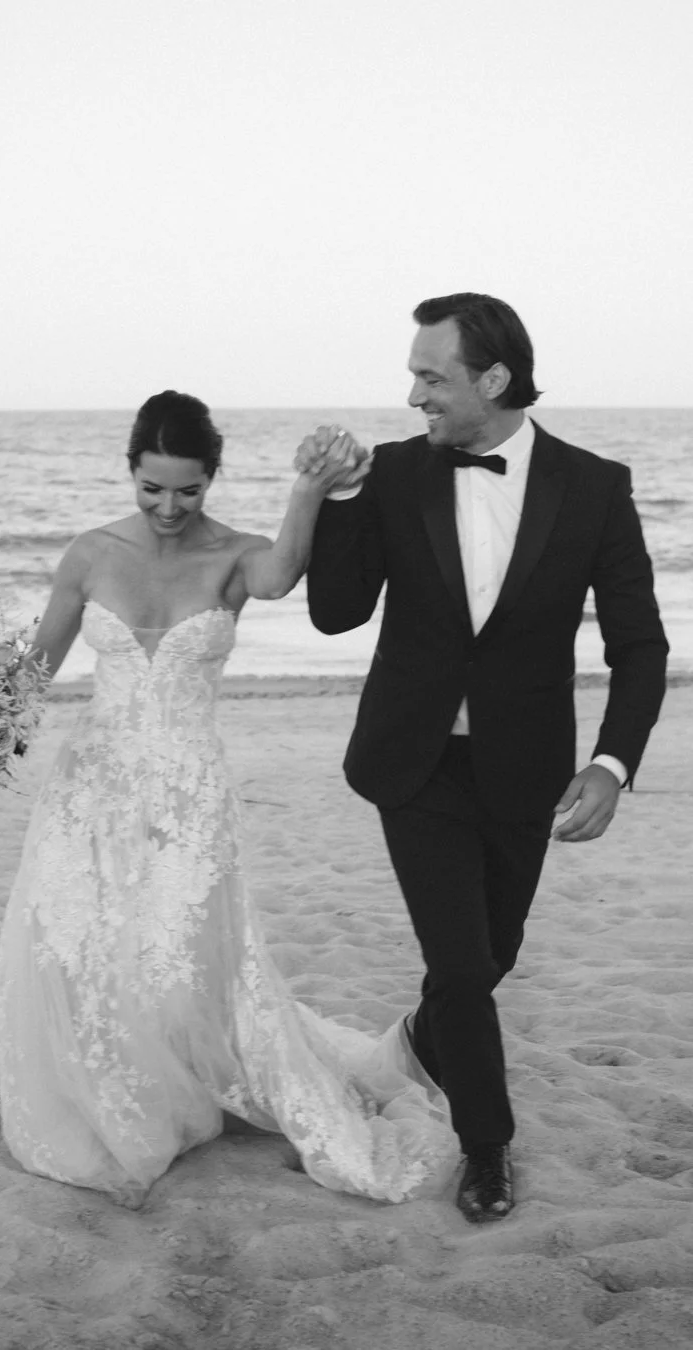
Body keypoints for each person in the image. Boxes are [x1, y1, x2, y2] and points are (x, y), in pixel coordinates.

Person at [0, 389, 457, 1209]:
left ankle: (176, 1087)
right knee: (80, 940)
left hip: (190, 787)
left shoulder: (237, 557)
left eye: (189, 489)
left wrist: (308, 489)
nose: (169, 507)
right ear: (130, 472)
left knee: (178, 951)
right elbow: (36, 668)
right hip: (92, 784)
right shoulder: (90, 554)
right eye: (152, 487)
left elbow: (283, 576)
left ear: (212, 480)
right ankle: (105, 1087)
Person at [302, 293, 669, 1223]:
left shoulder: (594, 486)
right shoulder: (390, 474)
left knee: (488, 959)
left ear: (493, 379)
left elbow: (640, 646)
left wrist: (613, 763)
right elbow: (336, 612)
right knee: (462, 966)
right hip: (412, 762)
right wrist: (339, 498)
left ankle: (420, 1043)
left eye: (432, 376)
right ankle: (488, 1147)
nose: (414, 393)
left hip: (525, 769)